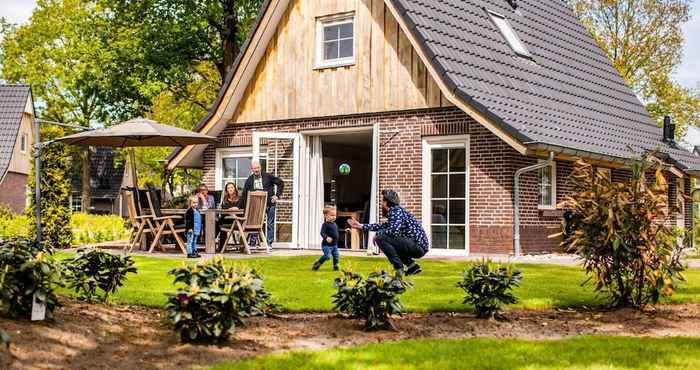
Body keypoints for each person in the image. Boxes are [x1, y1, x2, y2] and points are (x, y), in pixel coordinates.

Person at [348, 189, 429, 277]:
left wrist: (378, 234)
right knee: (388, 241)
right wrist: (361, 226)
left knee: (381, 238)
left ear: (386, 202)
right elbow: (383, 226)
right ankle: (412, 266)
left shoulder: (395, 211)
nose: (381, 204)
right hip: (418, 246)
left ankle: (398, 268)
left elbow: (394, 230)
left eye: (382, 201)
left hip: (417, 246)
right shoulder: (397, 211)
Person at [238, 160, 284, 250]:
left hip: (269, 204)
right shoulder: (249, 179)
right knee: (255, 223)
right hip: (256, 205)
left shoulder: (267, 176)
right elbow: (244, 194)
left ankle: (269, 244)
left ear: (260, 167)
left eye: (257, 168)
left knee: (270, 224)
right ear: (252, 169)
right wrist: (239, 207)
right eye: (254, 168)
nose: (256, 170)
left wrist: (277, 196)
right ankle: (253, 243)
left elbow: (280, 183)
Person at [312, 205, 340, 271]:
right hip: (326, 245)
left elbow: (336, 231)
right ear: (326, 216)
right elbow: (322, 233)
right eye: (332, 215)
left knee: (336, 256)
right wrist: (326, 237)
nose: (334, 217)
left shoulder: (335, 224)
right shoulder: (325, 224)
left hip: (334, 245)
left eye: (335, 215)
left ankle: (336, 266)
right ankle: (317, 263)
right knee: (327, 256)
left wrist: (345, 230)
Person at [218, 182, 240, 248]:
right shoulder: (225, 199)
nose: (230, 189)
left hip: (236, 220)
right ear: (226, 190)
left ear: (235, 189)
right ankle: (216, 244)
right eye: (228, 188)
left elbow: (239, 208)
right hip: (226, 219)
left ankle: (220, 246)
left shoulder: (239, 198)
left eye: (232, 187)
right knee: (216, 223)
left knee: (220, 225)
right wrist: (231, 209)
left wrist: (232, 210)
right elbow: (224, 208)